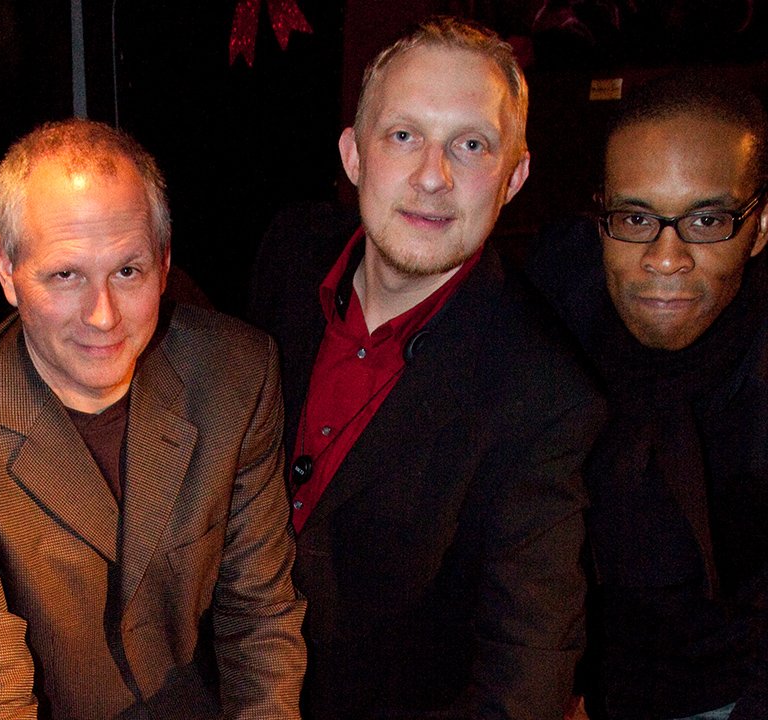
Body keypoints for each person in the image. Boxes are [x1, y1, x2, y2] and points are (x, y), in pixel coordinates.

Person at [0, 118, 305, 719]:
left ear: (164, 261)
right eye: (65, 275)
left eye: (127, 272)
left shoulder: (237, 373)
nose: (103, 316)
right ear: (6, 267)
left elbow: (259, 618)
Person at [248, 17, 605, 719]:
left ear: (514, 177)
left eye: (470, 145)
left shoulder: (546, 394)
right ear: (354, 155)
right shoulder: (289, 251)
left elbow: (527, 665)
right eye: (404, 135)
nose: (433, 177)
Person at [527, 73, 768, 719]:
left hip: (725, 694)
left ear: (761, 223)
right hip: (545, 667)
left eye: (705, 220)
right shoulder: (546, 295)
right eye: (635, 217)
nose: (665, 258)